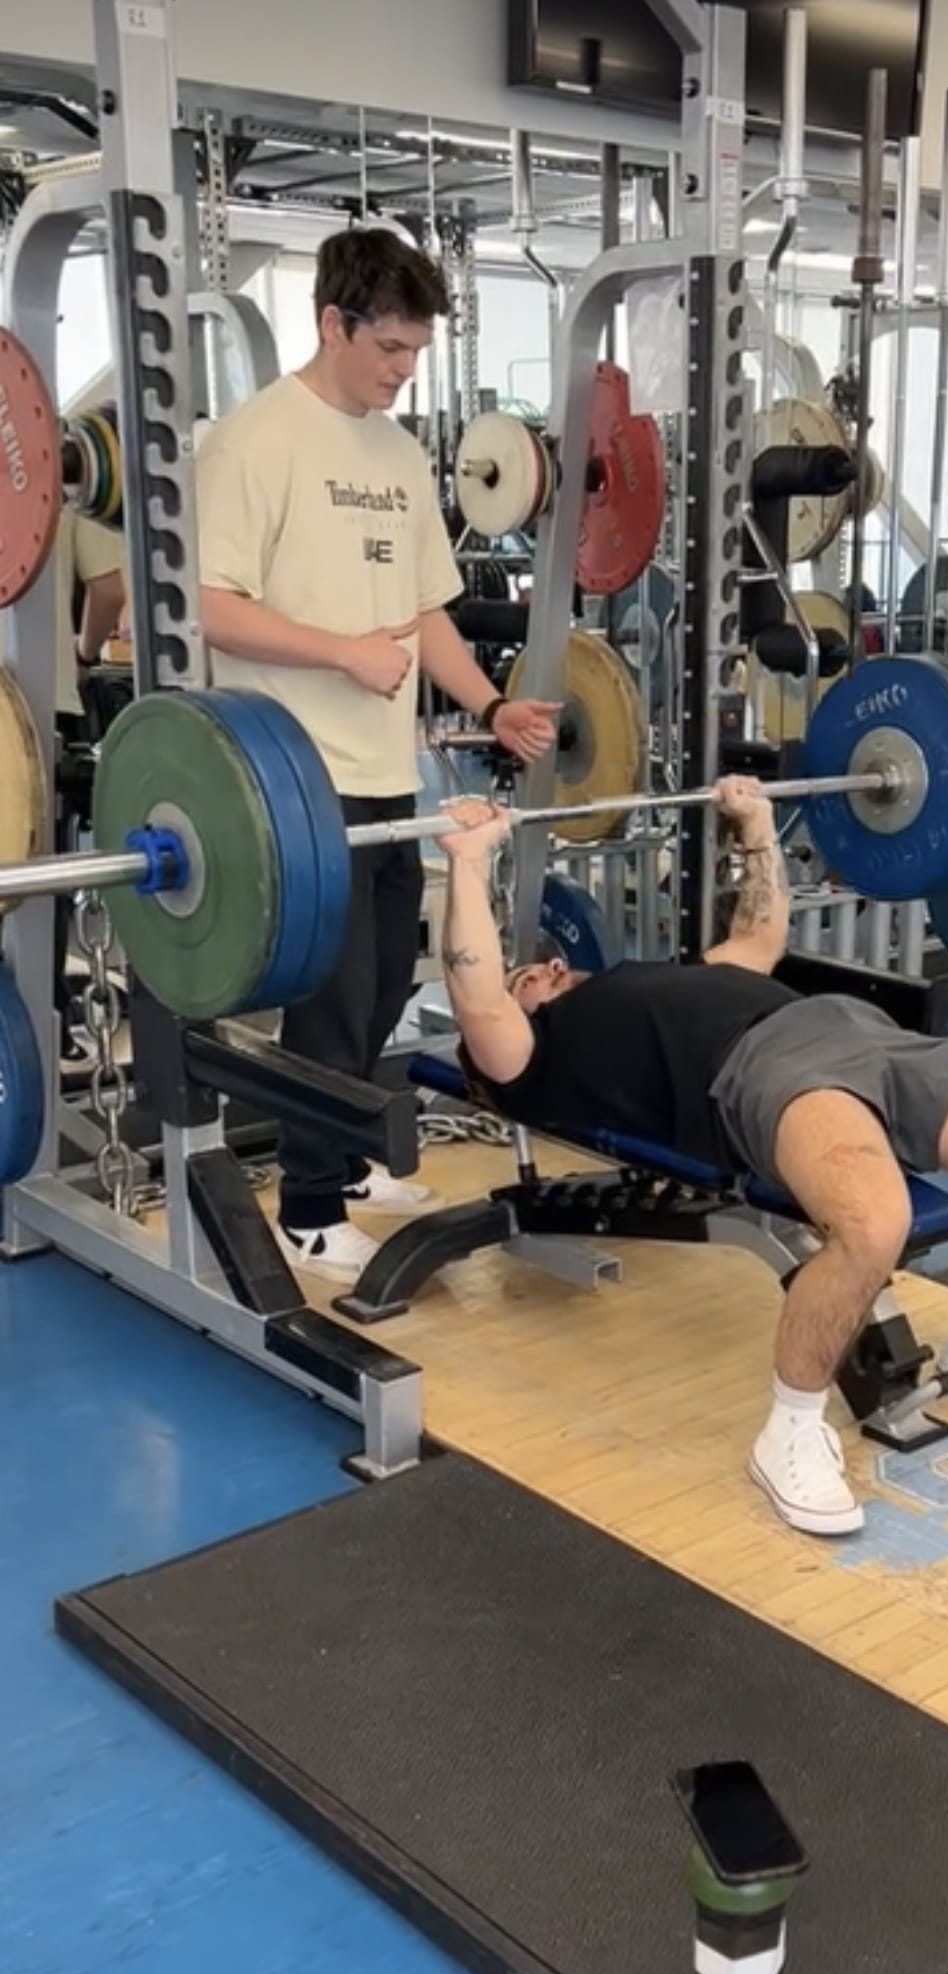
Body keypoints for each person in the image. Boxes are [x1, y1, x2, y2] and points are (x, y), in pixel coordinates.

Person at [433, 782, 948, 1539]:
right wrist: (468, 862)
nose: (537, 966)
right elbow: (474, 991)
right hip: (767, 1070)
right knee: (873, 1224)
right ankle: (790, 1433)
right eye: (520, 974)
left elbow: (760, 941)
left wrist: (758, 826)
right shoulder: (533, 1058)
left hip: (855, 1030)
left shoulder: (656, 976)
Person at [196, 226, 557, 1280]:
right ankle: (307, 1205)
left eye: (414, 351)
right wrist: (339, 654)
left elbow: (422, 611)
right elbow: (215, 608)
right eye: (390, 349)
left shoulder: (398, 453)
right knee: (334, 991)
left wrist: (490, 705)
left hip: (387, 770)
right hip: (294, 775)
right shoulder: (252, 442)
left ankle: (348, 1159)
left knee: (390, 976)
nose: (405, 371)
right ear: (332, 324)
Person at [56, 506, 126, 1066]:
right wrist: (80, 655)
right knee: (41, 882)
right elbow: (109, 589)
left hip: (35, 701)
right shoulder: (51, 475)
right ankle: (42, 1022)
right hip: (39, 696)